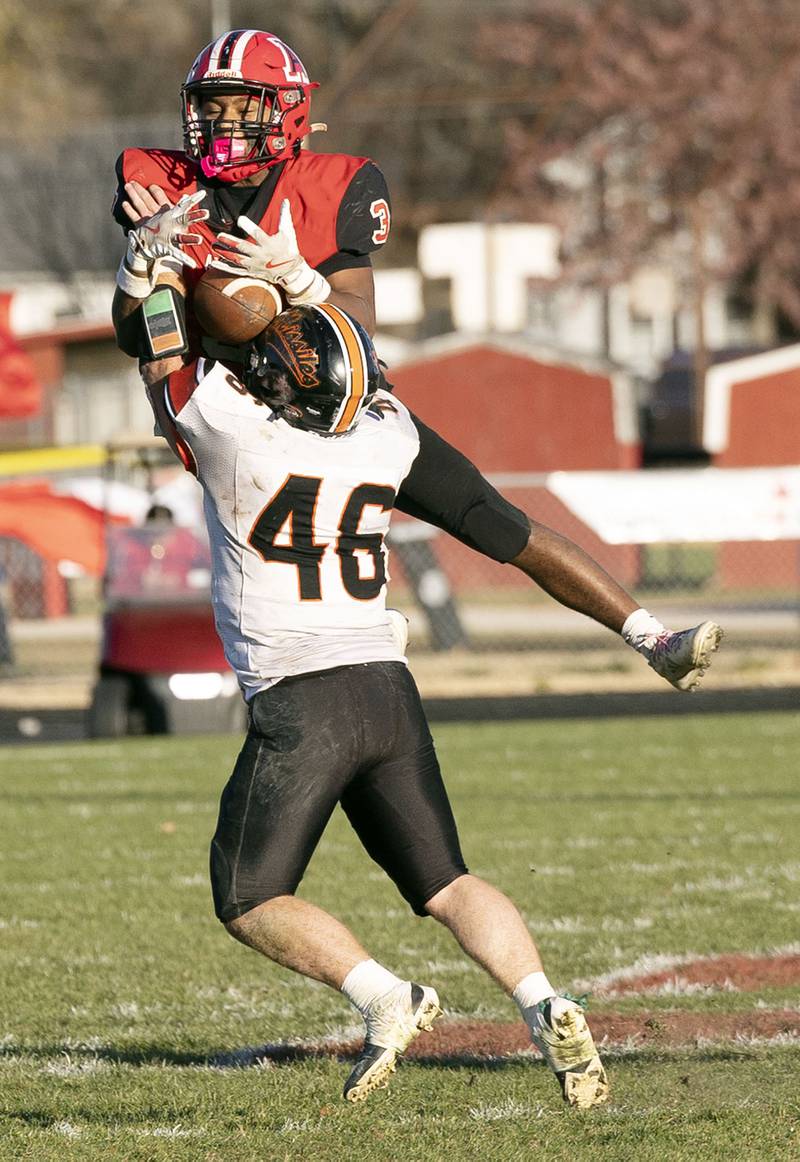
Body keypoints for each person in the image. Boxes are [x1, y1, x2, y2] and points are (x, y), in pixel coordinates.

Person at [136, 303, 722, 1112]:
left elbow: (157, 345)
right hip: (386, 685)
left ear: (279, 387)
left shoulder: (235, 432)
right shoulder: (388, 434)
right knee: (448, 881)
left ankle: (384, 996)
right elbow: (497, 521)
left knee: (247, 896)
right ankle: (546, 1002)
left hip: (304, 698)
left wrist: (149, 266)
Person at [111, 28, 389, 392]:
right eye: (212, 110)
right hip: (203, 391)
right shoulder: (163, 188)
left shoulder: (328, 189)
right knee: (161, 289)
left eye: (245, 109)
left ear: (289, 110)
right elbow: (131, 338)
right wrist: (139, 258)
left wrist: (299, 279)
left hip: (311, 389)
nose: (226, 124)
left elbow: (362, 321)